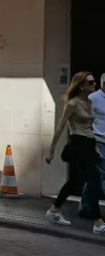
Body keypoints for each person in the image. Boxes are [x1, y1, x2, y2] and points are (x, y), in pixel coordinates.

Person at [46, 72, 105, 235]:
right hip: (78, 145)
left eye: (94, 82)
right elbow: (60, 126)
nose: (94, 84)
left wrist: (96, 147)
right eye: (91, 82)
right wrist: (51, 150)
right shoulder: (72, 103)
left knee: (74, 182)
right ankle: (98, 222)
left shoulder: (89, 102)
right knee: (93, 181)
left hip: (89, 145)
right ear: (81, 85)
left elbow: (91, 127)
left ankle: (54, 210)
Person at [78, 71, 105, 219]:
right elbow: (87, 119)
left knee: (95, 177)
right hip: (98, 141)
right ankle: (87, 208)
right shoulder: (93, 98)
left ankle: (85, 206)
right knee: (99, 175)